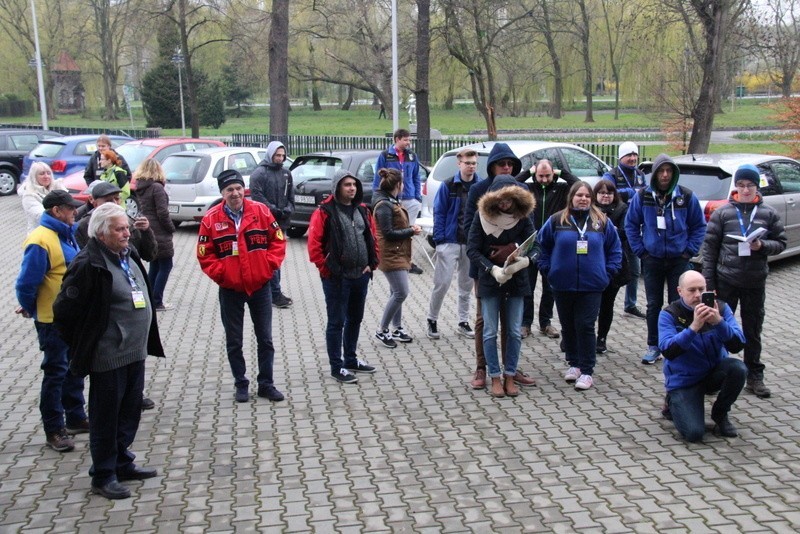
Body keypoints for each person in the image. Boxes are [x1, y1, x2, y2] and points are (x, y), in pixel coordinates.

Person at [53, 202, 165, 499]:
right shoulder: (88, 264)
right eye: (120, 229)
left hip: (134, 351)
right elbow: (63, 312)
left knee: (129, 412)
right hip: (108, 357)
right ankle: (103, 475)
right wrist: (90, 342)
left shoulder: (126, 254)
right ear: (102, 234)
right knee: (106, 417)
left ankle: (122, 461)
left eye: (127, 227)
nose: (127, 233)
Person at [197, 169, 287, 403]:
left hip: (260, 286)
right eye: (230, 190)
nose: (235, 193)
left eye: (238, 188)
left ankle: (266, 383)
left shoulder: (261, 211)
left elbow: (277, 242)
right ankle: (241, 383)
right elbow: (205, 255)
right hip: (231, 290)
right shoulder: (211, 219)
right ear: (222, 193)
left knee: (265, 339)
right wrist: (224, 275)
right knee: (234, 340)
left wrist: (267, 267)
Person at [702, 164, 787, 399]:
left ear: (756, 187)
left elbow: (781, 243)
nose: (746, 189)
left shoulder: (768, 213)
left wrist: (762, 246)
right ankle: (714, 373)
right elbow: (709, 249)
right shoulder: (723, 213)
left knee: (753, 329)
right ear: (736, 186)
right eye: (741, 185)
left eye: (750, 185)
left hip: (754, 281)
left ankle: (754, 375)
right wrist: (710, 284)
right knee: (718, 327)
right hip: (726, 279)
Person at [15, 190, 87, 453]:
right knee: (56, 373)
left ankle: (76, 417)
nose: (75, 212)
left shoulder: (66, 234)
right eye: (70, 209)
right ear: (57, 211)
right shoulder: (40, 239)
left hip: (71, 317)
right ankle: (54, 429)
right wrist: (28, 306)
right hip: (51, 319)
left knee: (73, 368)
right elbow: (26, 283)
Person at [463, 143, 535, 389]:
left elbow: (530, 235)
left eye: (510, 164)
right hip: (486, 268)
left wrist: (512, 248)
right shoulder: (479, 190)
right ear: (492, 166)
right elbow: (469, 234)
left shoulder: (521, 191)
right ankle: (483, 369)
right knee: (486, 322)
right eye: (502, 164)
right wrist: (490, 263)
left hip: (514, 267)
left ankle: (510, 371)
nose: (506, 167)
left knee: (512, 324)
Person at [538, 181, 622, 391]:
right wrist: (548, 269)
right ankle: (573, 363)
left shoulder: (601, 222)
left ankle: (587, 370)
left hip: (592, 285)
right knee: (568, 325)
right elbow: (542, 245)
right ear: (571, 197)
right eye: (579, 195)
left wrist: (608, 271)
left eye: (587, 195)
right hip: (562, 284)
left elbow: (615, 249)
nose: (583, 199)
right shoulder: (557, 220)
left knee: (585, 325)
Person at [625, 153, 706, 365]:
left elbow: (699, 226)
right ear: (655, 174)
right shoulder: (643, 196)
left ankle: (678, 344)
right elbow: (631, 224)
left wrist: (689, 251)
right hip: (652, 258)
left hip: (679, 260)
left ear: (674, 174)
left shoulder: (686, 197)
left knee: (678, 303)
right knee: (653, 304)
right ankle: (654, 345)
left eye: (669, 171)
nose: (665, 175)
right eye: (661, 171)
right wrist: (641, 251)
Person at [308, 169, 380, 383]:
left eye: (354, 185)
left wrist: (371, 263)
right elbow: (314, 246)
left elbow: (372, 237)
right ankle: (336, 366)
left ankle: (351, 358)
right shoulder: (325, 212)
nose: (352, 188)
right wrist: (327, 268)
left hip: (361, 275)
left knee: (355, 319)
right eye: (347, 184)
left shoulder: (363, 210)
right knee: (336, 322)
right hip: (337, 278)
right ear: (337, 186)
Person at [659, 271, 747, 442]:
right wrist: (693, 328)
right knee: (694, 433)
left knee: (738, 369)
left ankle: (720, 413)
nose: (697, 295)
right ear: (680, 291)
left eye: (701, 289)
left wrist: (718, 322)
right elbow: (668, 351)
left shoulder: (720, 308)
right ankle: (673, 401)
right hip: (685, 380)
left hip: (713, 373)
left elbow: (738, 344)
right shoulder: (669, 314)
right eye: (691, 290)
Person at [514, 158, 577, 339]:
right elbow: (513, 183)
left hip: (552, 245)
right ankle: (525, 323)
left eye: (547, 175)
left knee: (549, 287)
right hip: (531, 243)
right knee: (528, 286)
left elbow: (578, 185)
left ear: (553, 174)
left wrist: (560, 173)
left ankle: (546, 323)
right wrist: (528, 172)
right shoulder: (528, 189)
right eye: (540, 176)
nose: (543, 179)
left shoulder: (562, 189)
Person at [426, 148, 479, 340]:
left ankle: (463, 322)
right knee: (442, 283)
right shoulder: (448, 186)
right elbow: (439, 213)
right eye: (468, 163)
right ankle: (432, 319)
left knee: (466, 285)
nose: (471, 166)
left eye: (474, 163)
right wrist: (439, 241)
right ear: (459, 164)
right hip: (449, 241)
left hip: (470, 243)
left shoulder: (479, 185)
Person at [373, 168, 421, 348]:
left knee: (395, 292)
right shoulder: (384, 205)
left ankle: (397, 327)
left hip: (398, 252)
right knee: (401, 292)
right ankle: (382, 329)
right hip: (390, 254)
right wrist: (411, 231)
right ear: (399, 185)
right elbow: (388, 233)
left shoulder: (390, 200)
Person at [602, 142, 647, 319]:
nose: (633, 158)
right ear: (621, 157)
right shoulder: (611, 174)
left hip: (635, 227)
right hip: (616, 226)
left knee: (635, 269)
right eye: (629, 155)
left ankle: (631, 304)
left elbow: (645, 193)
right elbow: (608, 193)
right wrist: (631, 192)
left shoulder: (641, 174)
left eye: (635, 155)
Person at [250, 141, 295, 309]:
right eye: (277, 155)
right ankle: (274, 293)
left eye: (283, 156)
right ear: (270, 154)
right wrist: (274, 210)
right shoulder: (259, 173)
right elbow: (257, 197)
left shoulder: (286, 173)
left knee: (277, 258)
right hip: (264, 222)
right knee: (269, 258)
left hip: (281, 222)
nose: (281, 158)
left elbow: (291, 195)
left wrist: (288, 209)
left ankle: (273, 292)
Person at [373, 128, 424, 274]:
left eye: (409, 140)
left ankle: (409, 261)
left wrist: (417, 197)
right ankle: (394, 260)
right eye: (405, 140)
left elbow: (416, 176)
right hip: (392, 199)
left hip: (409, 198)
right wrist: (377, 196)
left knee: (410, 231)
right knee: (395, 231)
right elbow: (379, 178)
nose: (408, 143)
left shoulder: (412, 156)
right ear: (397, 139)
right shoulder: (385, 155)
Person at [593, 180, 632, 354]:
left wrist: (608, 229)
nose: (605, 196)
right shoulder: (590, 209)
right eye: (601, 193)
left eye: (609, 193)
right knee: (589, 304)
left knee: (607, 304)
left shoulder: (622, 209)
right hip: (591, 264)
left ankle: (601, 338)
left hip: (613, 264)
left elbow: (625, 233)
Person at [75, 181, 157, 262]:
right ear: (94, 202)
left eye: (117, 199)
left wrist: (146, 231)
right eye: (108, 201)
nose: (114, 203)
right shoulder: (83, 226)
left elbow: (149, 255)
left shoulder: (129, 222)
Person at [135, 159, 177, 311]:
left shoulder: (141, 187)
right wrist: (171, 228)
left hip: (148, 229)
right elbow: (162, 212)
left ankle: (150, 298)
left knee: (155, 265)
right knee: (166, 265)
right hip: (159, 231)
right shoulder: (157, 188)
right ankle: (157, 301)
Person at [19, 161, 68, 233]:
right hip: (39, 235)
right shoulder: (29, 195)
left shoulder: (58, 188)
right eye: (42, 174)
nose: (46, 176)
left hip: (59, 232)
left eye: (48, 173)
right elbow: (42, 216)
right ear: (34, 176)